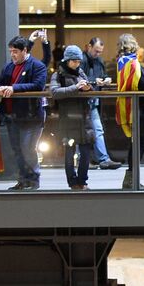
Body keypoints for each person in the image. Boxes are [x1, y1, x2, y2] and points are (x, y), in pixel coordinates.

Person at [0, 35, 49, 192]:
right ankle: (22, 179)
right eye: (11, 51)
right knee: (17, 149)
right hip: (12, 116)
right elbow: (1, 83)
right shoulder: (8, 67)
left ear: (25, 50)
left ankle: (33, 179)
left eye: (15, 51)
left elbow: (38, 85)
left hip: (31, 117)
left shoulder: (37, 66)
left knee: (28, 148)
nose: (12, 55)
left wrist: (14, 88)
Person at [50, 45, 94, 191]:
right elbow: (55, 92)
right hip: (68, 118)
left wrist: (89, 88)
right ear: (67, 60)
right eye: (74, 61)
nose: (77, 64)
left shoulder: (80, 72)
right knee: (69, 152)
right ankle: (72, 181)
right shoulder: (58, 75)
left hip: (84, 116)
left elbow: (88, 88)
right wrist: (76, 88)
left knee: (86, 150)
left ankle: (83, 180)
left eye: (78, 61)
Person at [115, 33, 144, 185]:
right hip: (135, 106)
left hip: (138, 105)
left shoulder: (126, 60)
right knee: (138, 142)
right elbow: (136, 81)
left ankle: (131, 177)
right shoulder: (127, 60)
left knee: (138, 142)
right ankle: (131, 178)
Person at [83, 38, 121, 170]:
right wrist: (95, 81)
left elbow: (102, 74)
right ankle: (98, 159)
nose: (97, 54)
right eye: (96, 51)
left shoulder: (98, 60)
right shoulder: (81, 60)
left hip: (92, 100)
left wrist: (106, 78)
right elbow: (79, 78)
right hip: (83, 101)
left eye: (99, 52)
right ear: (89, 46)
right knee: (87, 131)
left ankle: (97, 159)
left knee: (92, 130)